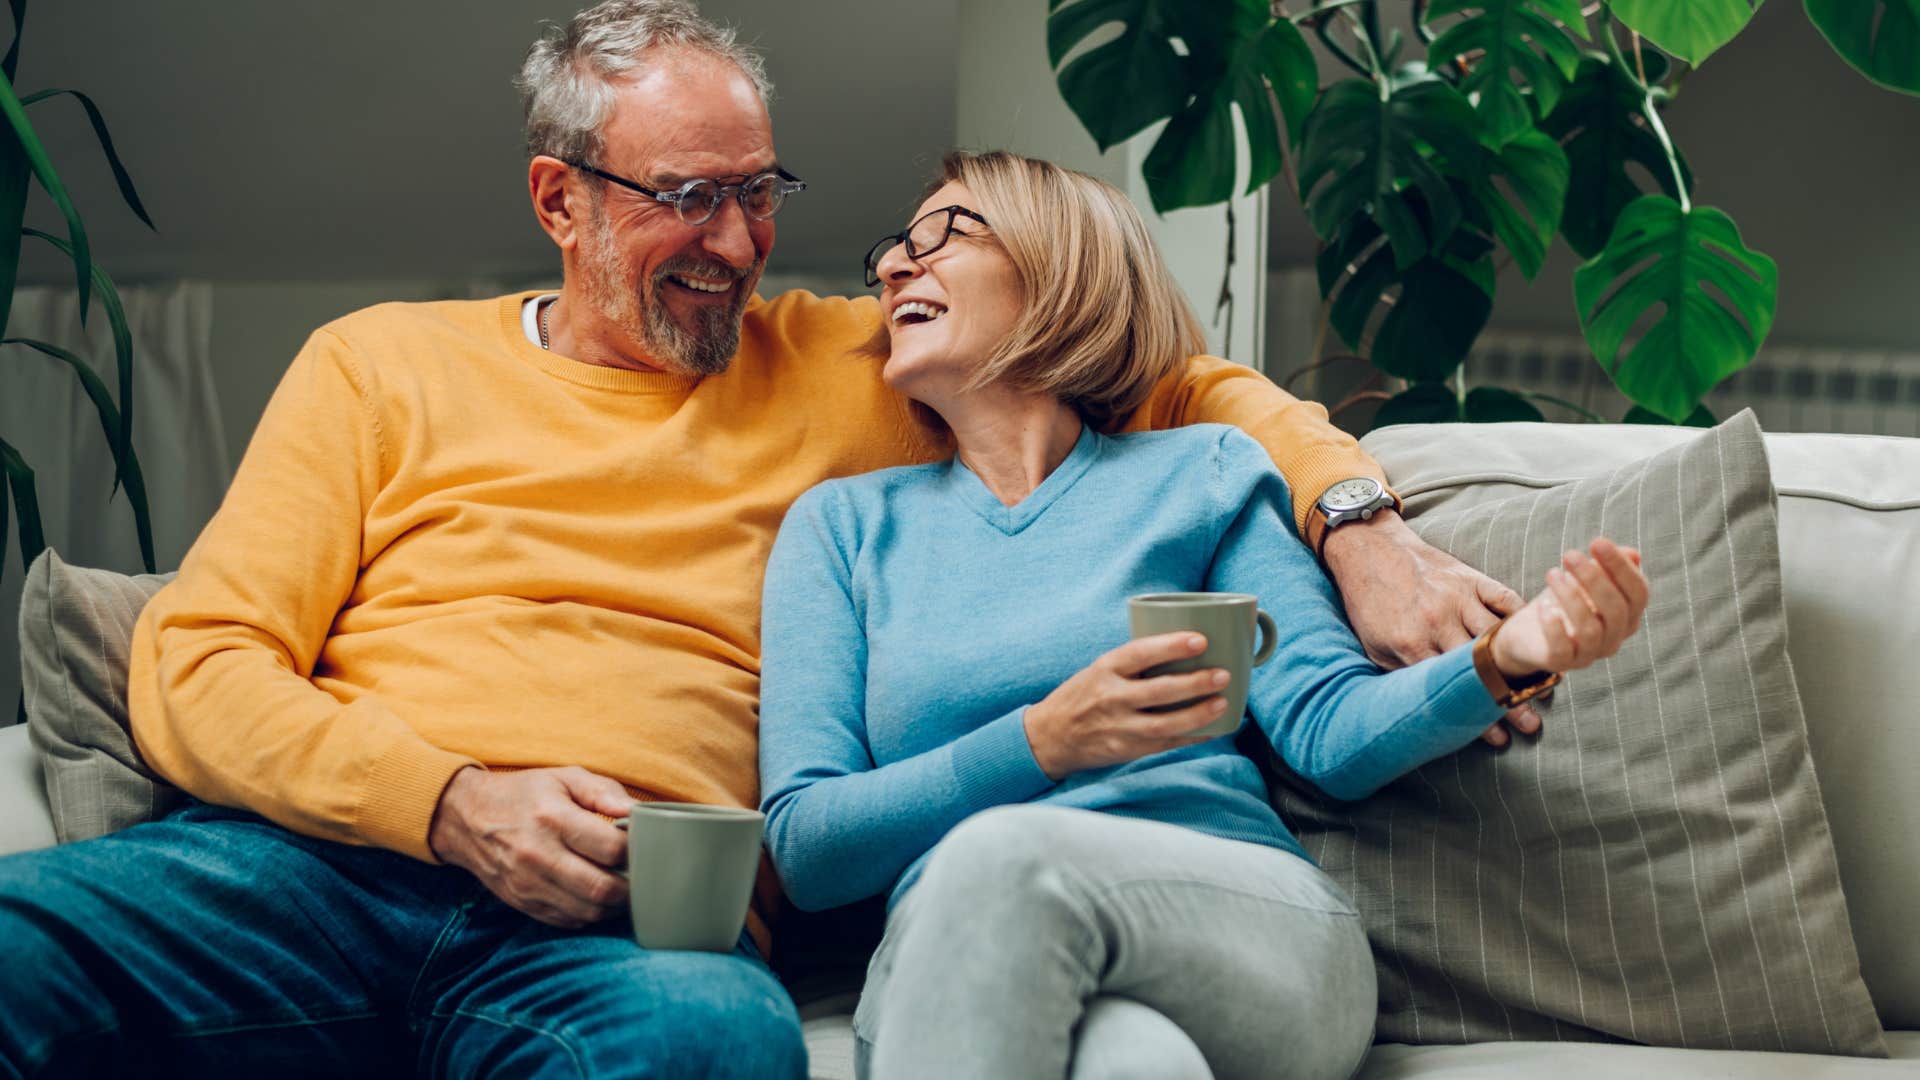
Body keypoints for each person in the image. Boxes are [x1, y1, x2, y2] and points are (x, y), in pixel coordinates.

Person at [0, 2, 1533, 1077]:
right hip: (314, 874)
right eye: (690, 200)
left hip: (630, 920)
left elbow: (1162, 369)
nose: (739, 246)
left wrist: (1354, 520)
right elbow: (195, 661)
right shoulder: (377, 364)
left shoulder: (850, 363)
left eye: (760, 193)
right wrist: (449, 799)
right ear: (562, 199)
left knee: (709, 1045)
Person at [757, 151, 1652, 1080]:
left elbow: (1329, 730)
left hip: (1236, 923)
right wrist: (1045, 739)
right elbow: (809, 845)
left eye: (945, 233)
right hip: (957, 958)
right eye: (896, 249)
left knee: (1004, 859)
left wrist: (1513, 651)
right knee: (1134, 1064)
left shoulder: (1202, 475)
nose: (898, 264)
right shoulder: (843, 530)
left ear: (1062, 267)